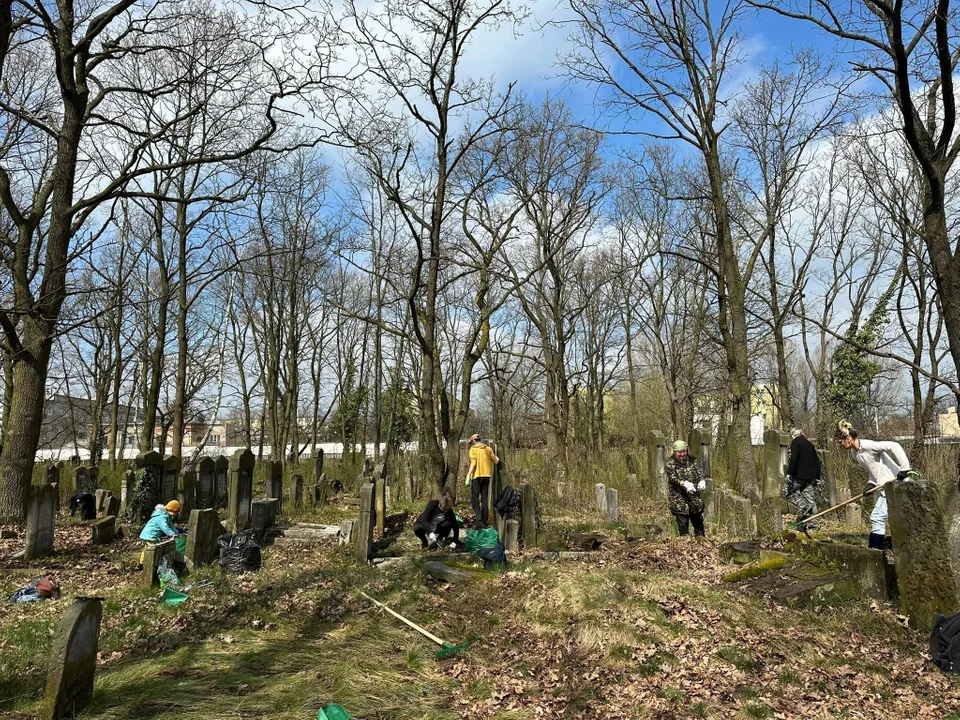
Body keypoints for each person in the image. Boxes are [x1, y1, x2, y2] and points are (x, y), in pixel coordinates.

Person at [835, 420, 912, 549]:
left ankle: (875, 552)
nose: (840, 445)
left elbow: (894, 446)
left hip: (896, 484)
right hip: (885, 487)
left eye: (840, 441)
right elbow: (874, 469)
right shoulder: (855, 454)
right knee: (882, 518)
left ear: (847, 439)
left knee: (878, 517)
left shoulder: (868, 445)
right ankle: (876, 550)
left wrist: (904, 468)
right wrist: (871, 483)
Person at [666, 440, 706, 537]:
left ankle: (701, 542)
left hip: (693, 496)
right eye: (680, 452)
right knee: (683, 522)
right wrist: (683, 483)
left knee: (698, 521)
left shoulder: (692, 460)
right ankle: (685, 544)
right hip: (679, 498)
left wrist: (702, 480)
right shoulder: (671, 463)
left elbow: (699, 471)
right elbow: (672, 478)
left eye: (684, 451)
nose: (682, 454)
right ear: (675, 452)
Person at [785, 428, 822, 526]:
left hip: (798, 476)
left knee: (788, 492)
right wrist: (818, 477)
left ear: (793, 435)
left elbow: (794, 458)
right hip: (810, 477)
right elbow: (817, 462)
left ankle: (804, 507)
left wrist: (789, 473)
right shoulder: (810, 444)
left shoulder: (795, 442)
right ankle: (813, 522)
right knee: (809, 497)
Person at [138, 500, 184, 569]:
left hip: (151, 535)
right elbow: (165, 527)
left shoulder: (166, 516)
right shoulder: (161, 517)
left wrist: (176, 533)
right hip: (150, 535)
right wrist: (171, 534)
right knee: (153, 550)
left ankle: (141, 563)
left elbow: (171, 526)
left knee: (146, 548)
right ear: (171, 510)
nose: (176, 514)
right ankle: (150, 564)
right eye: (176, 512)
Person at [466, 434, 499, 528]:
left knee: (474, 500)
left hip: (476, 477)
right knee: (484, 500)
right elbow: (496, 461)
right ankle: (484, 522)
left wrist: (468, 474)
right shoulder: (488, 449)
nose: (471, 444)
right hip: (486, 477)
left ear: (473, 441)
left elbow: (473, 463)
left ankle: (479, 521)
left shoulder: (473, 449)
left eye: (471, 442)